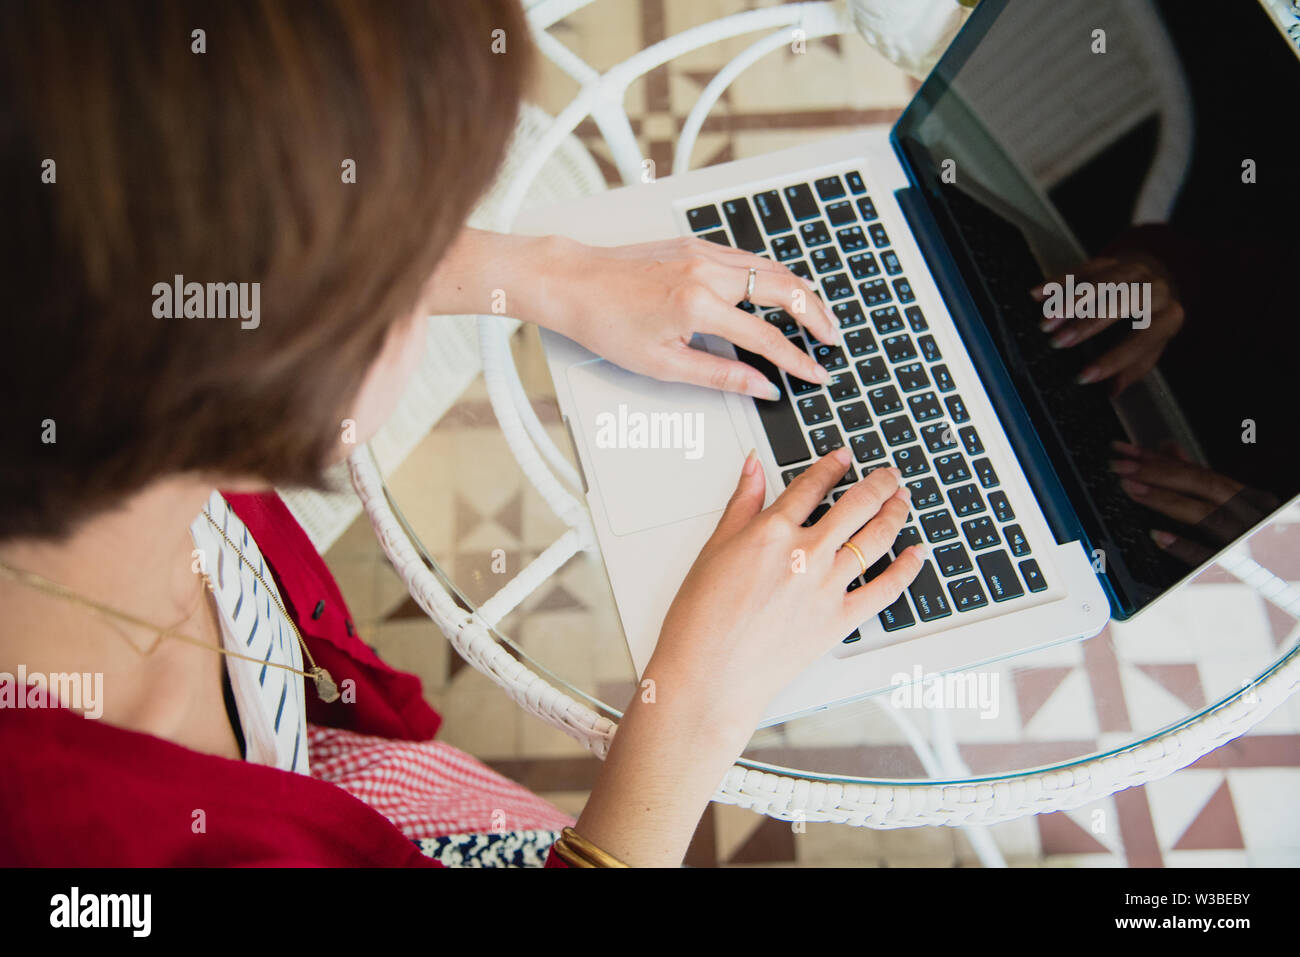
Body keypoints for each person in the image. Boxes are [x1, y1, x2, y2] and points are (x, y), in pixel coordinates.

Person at [0, 0, 922, 867]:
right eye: (406, 260)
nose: (436, 272)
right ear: (269, 371)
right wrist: (690, 709)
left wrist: (546, 273)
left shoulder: (92, 387)